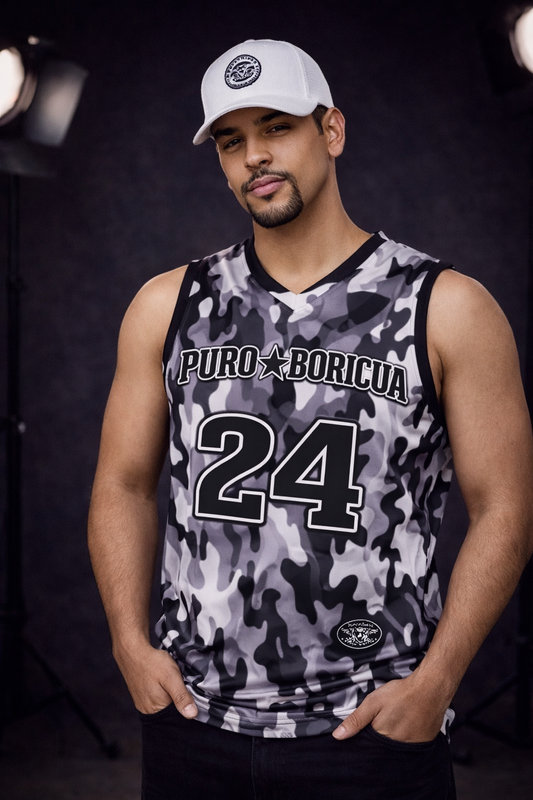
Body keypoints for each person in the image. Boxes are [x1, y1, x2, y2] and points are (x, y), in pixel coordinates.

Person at [88, 39, 533, 800]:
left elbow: (506, 510)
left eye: (276, 127)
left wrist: (437, 682)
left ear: (330, 131)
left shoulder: (445, 307)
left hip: (371, 727)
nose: (254, 156)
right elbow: (124, 485)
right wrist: (130, 646)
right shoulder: (169, 304)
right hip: (194, 724)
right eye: (231, 141)